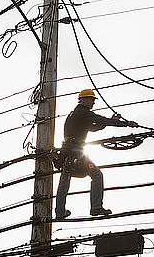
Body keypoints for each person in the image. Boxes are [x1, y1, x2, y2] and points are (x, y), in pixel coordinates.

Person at [55, 89, 138, 219]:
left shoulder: (73, 115)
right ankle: (96, 207)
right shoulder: (83, 112)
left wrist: (110, 121)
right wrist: (125, 124)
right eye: (91, 100)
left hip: (67, 154)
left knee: (64, 182)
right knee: (97, 175)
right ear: (83, 100)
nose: (93, 103)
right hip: (77, 154)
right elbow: (101, 120)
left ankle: (59, 212)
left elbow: (94, 127)